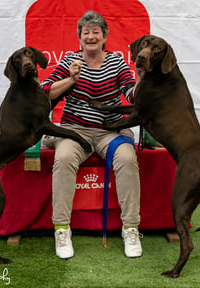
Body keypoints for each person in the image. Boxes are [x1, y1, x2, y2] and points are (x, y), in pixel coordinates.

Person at [41, 10, 142, 259]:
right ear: (80, 37)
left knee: (128, 159)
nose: (91, 36)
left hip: (110, 130)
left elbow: (131, 94)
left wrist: (142, 78)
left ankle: (130, 228)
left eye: (96, 31)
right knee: (63, 159)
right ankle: (62, 229)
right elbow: (46, 92)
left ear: (104, 36)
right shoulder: (68, 61)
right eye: (86, 32)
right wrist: (71, 79)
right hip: (75, 130)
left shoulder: (117, 62)